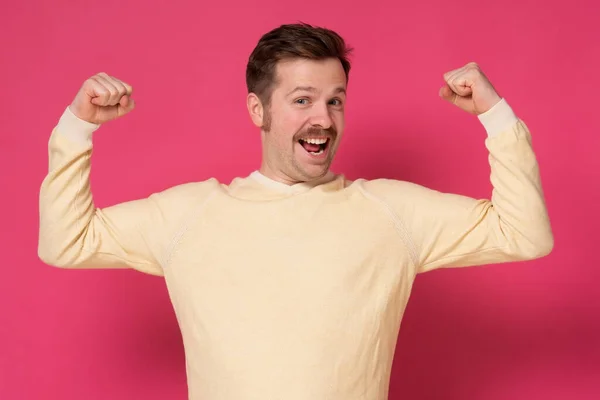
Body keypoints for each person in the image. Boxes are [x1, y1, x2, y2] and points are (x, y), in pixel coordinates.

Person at [38, 23, 554, 400]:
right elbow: (66, 241)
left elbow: (524, 233)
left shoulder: (392, 212)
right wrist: (77, 128)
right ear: (257, 110)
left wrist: (495, 115)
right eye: (303, 100)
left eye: (335, 101)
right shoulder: (188, 215)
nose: (323, 118)